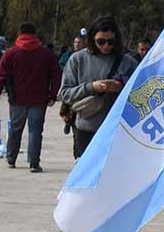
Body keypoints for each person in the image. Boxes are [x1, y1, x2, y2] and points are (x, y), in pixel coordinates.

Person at [59, 16, 138, 159]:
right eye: (101, 42)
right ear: (92, 39)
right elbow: (65, 93)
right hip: (86, 128)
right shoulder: (77, 59)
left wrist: (122, 88)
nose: (106, 46)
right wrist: (92, 87)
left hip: (118, 130)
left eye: (110, 41)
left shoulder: (128, 62)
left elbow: (141, 94)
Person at [0, 23, 62, 172]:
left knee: (15, 129)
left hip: (17, 99)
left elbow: (0, 75)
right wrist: (52, 95)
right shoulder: (46, 54)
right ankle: (34, 163)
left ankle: (11, 158)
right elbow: (56, 75)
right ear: (35, 35)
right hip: (39, 99)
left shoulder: (10, 53)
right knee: (35, 131)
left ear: (19, 34)